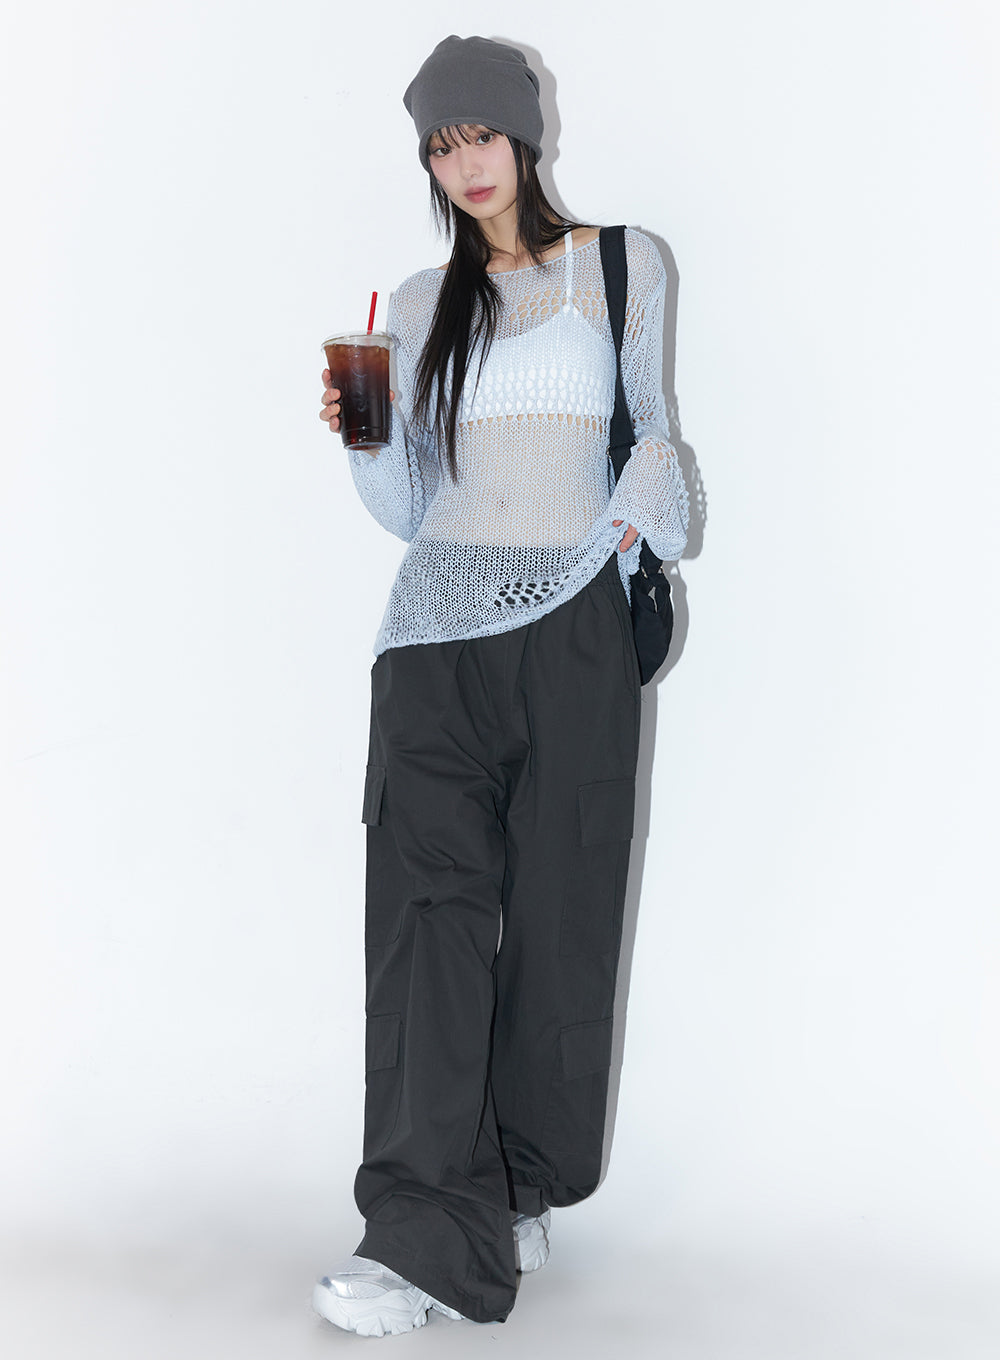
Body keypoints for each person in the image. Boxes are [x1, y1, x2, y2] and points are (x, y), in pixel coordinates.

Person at [312, 34, 689, 1337]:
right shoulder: (422, 303)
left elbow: (653, 435)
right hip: (434, 635)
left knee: (561, 918)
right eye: (439, 146)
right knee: (426, 922)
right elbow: (410, 504)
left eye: (479, 135)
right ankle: (422, 1236)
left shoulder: (623, 265)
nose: (464, 165)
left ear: (525, 135)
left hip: (575, 623)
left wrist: (627, 529)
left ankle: (514, 1181)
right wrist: (362, 432)